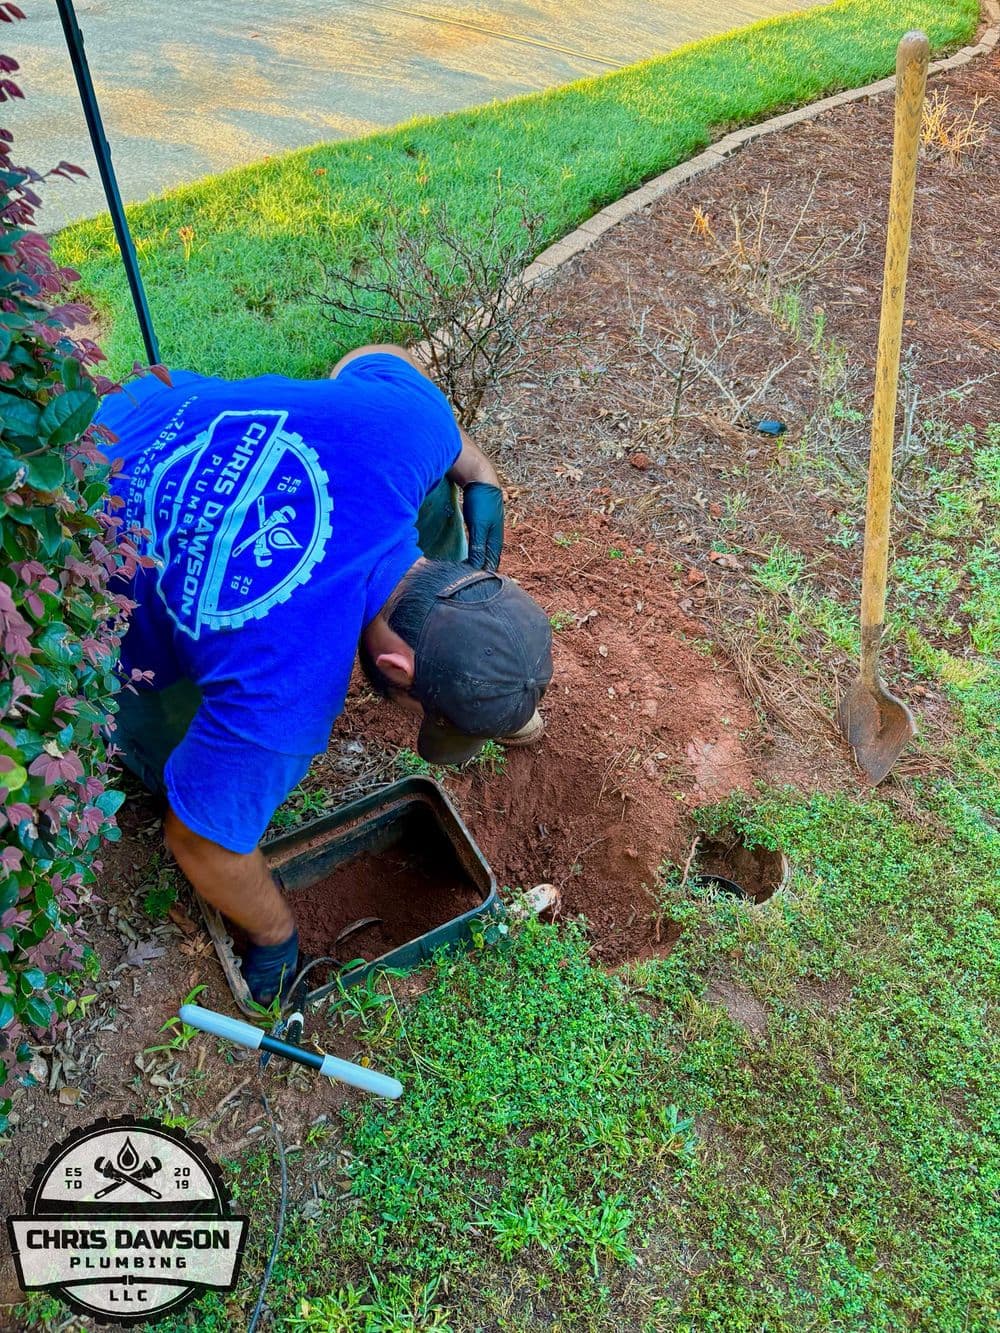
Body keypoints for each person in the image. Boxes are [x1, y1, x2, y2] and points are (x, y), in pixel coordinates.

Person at [97, 344, 553, 1004]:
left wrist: (481, 474)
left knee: (436, 482)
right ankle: (145, 728)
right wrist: (275, 935)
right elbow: (199, 841)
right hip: (67, 542)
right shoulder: (285, 695)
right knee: (179, 756)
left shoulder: (409, 426)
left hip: (141, 406)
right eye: (425, 711)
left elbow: (375, 357)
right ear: (395, 667)